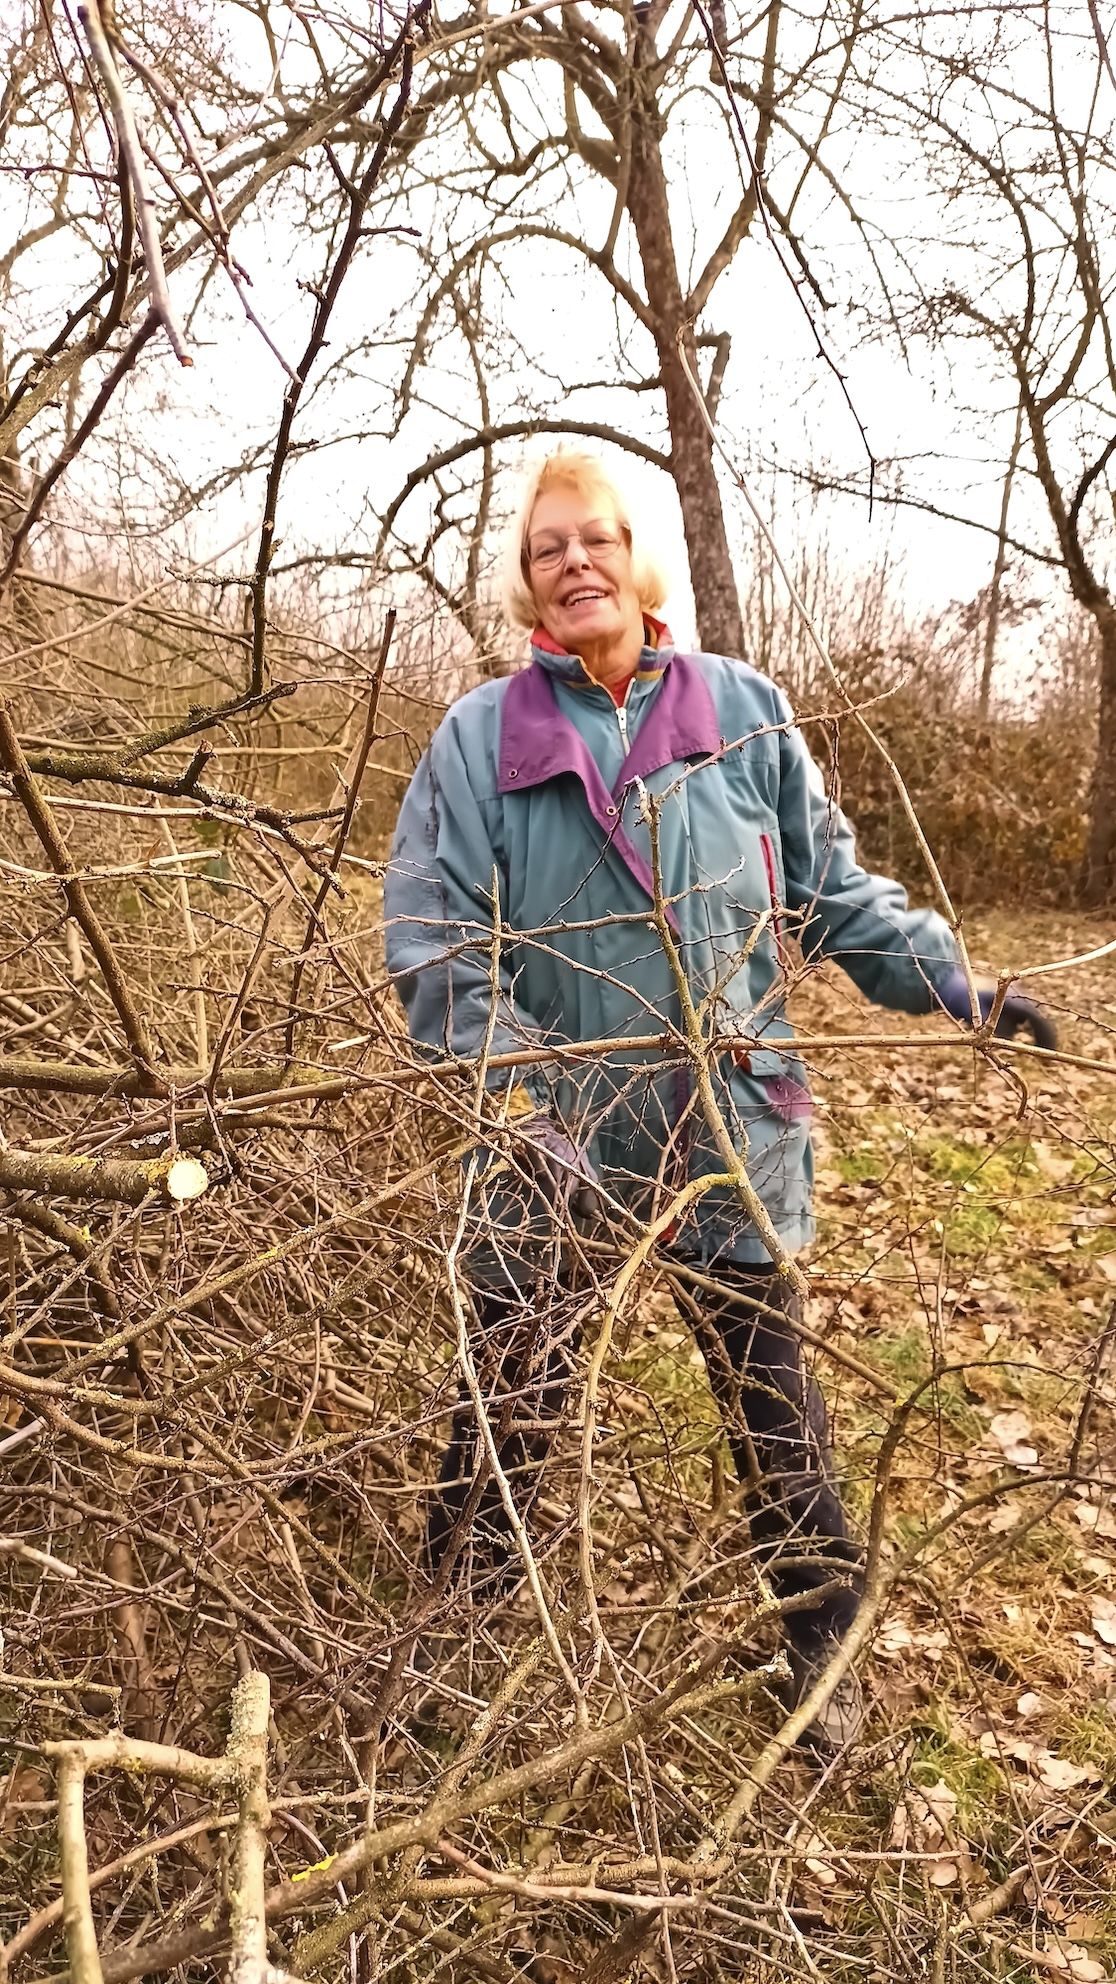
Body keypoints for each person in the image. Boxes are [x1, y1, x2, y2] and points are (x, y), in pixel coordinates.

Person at [384, 449, 1054, 1756]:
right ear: (525, 585)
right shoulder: (480, 739)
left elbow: (833, 895)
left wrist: (955, 984)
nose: (574, 561)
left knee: (772, 1404)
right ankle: (451, 1651)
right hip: (554, 1132)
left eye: (596, 537)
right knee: (508, 1397)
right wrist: (519, 1097)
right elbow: (435, 938)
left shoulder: (742, 711)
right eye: (546, 548)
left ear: (639, 562)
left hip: (731, 1121)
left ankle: (822, 1658)